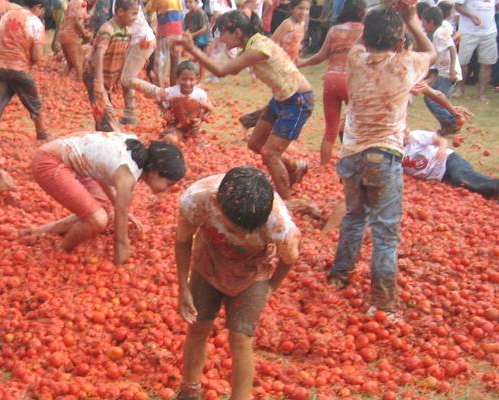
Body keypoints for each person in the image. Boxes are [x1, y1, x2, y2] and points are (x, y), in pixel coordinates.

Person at [326, 4, 436, 319]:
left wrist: (384, 17)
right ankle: (383, 301)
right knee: (385, 230)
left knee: (354, 216)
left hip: (351, 155)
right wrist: (412, 19)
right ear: (400, 42)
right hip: (383, 155)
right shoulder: (405, 64)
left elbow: (364, 40)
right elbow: (432, 53)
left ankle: (339, 274)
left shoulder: (355, 59)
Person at [174, 167, 300, 400]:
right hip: (208, 261)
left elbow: (289, 258)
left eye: (246, 231)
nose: (238, 235)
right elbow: (182, 240)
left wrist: (270, 287)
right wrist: (183, 286)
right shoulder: (197, 199)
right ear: (217, 204)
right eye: (233, 228)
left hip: (252, 271)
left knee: (241, 337)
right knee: (198, 325)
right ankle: (189, 390)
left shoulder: (279, 224)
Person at [177, 10, 312, 200]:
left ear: (237, 32)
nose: (222, 39)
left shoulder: (258, 47)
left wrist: (192, 49)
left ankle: (288, 202)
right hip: (281, 98)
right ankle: (294, 167)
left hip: (297, 100)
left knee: (270, 154)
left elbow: (222, 71)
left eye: (223, 33)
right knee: (255, 144)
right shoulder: (251, 45)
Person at [23, 132, 186, 265]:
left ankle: (40, 232)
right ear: (153, 172)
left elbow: (102, 170)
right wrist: (122, 268)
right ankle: (61, 251)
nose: (168, 189)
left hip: (76, 164)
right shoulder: (127, 177)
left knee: (105, 213)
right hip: (49, 162)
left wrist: (125, 212)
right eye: (169, 183)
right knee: (98, 219)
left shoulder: (136, 150)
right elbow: (120, 237)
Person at [297, 0, 365, 165]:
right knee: (356, 126)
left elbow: (320, 56)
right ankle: (354, 163)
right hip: (351, 81)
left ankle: (324, 166)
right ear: (362, 12)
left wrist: (303, 62)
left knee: (330, 129)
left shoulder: (334, 30)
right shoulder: (365, 31)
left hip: (331, 79)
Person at [0, 0, 50, 145]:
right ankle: (42, 135)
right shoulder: (34, 22)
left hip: (0, 69)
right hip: (20, 70)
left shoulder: (5, 17)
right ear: (38, 7)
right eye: (42, 10)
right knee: (35, 106)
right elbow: (36, 55)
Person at [402, 129, 499, 201]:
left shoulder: (416, 135)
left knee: (461, 176)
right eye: (401, 133)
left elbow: (441, 140)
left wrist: (442, 149)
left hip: (449, 161)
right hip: (440, 177)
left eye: (406, 130)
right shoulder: (395, 152)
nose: (406, 134)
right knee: (464, 188)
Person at [128, 61, 215, 144]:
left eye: (191, 80)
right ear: (177, 79)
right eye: (184, 79)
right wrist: (164, 112)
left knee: (202, 145)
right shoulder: (172, 92)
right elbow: (158, 100)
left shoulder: (200, 94)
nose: (187, 83)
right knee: (170, 140)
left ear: (196, 79)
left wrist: (201, 119)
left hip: (193, 128)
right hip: (175, 126)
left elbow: (210, 109)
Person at [86, 0, 137, 131]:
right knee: (108, 112)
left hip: (108, 76)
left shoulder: (128, 32)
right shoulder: (107, 30)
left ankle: (100, 131)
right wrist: (99, 82)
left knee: (102, 109)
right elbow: (99, 55)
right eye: (133, 14)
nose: (135, 18)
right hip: (95, 75)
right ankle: (113, 133)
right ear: (120, 12)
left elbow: (123, 54)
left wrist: (118, 78)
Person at [418, 6, 463, 135]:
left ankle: (452, 122)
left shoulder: (439, 33)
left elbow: (452, 48)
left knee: (435, 100)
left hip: (448, 73)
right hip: (443, 72)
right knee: (429, 98)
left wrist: (452, 70)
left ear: (431, 22)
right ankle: (447, 125)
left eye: (424, 22)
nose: (422, 25)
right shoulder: (435, 35)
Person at [119, 0, 155, 124]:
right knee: (125, 79)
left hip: (142, 42)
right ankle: (129, 113)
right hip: (132, 42)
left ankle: (160, 93)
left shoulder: (129, 4)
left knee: (126, 79)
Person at [452, 0, 496, 101]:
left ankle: (482, 93)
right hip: (468, 32)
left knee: (486, 63)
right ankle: (460, 89)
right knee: (462, 62)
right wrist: (471, 16)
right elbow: (457, 6)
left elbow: (498, 5)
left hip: (489, 31)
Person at [147, 0, 184, 86]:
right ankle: (174, 86)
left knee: (160, 60)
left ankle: (159, 88)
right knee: (175, 61)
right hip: (177, 29)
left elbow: (147, 11)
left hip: (165, 30)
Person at [57, 0, 89, 81]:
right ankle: (79, 84)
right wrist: (85, 34)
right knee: (79, 63)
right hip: (71, 35)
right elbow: (77, 21)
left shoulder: (72, 2)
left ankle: (62, 80)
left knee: (70, 63)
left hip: (63, 34)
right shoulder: (81, 3)